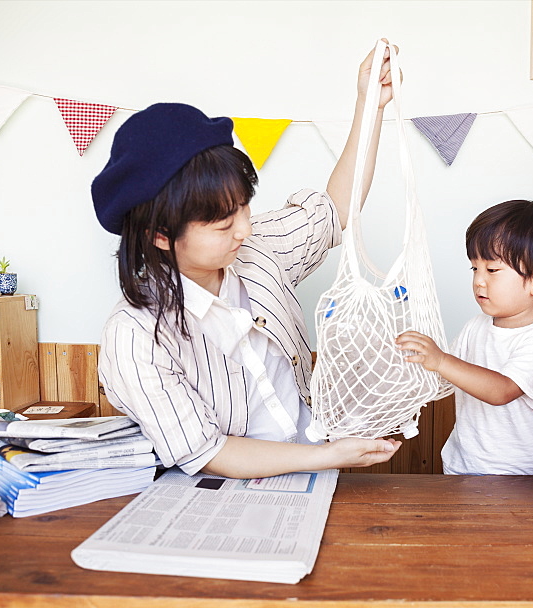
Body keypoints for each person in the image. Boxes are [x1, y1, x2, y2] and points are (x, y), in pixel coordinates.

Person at [92, 41, 403, 479]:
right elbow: (207, 453)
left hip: (321, 475)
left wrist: (369, 106)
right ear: (159, 235)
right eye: (222, 224)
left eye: (243, 207)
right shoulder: (134, 336)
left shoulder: (259, 252)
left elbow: (336, 211)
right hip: (224, 499)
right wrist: (332, 455)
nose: (243, 229)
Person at [396, 200, 533, 475]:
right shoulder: (474, 327)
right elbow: (444, 377)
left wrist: (441, 360)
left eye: (492, 270)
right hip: (465, 467)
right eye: (474, 268)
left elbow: (501, 391)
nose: (479, 280)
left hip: (527, 476)